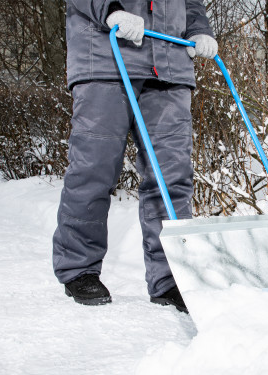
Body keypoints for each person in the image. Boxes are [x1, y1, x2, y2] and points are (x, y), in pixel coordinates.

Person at [52, 0, 217, 313]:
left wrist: (198, 29)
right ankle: (79, 268)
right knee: (94, 168)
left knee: (172, 177)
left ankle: (171, 277)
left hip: (170, 64)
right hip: (105, 56)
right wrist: (110, 9)